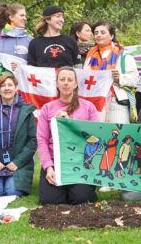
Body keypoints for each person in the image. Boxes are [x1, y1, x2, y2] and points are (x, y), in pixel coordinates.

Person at [36, 67, 100, 205]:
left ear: (76, 84)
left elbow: (96, 138)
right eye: (62, 79)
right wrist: (48, 167)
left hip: (81, 161)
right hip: (56, 162)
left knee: (81, 199)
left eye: (70, 80)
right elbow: (42, 140)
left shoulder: (88, 107)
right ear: (57, 83)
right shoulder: (47, 108)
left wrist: (70, 123)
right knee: (50, 201)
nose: (66, 83)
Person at [0, 73, 37, 197]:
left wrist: (17, 162)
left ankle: (12, 182)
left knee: (12, 193)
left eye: (10, 85)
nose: (7, 88)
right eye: (3, 86)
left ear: (16, 88)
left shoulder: (26, 112)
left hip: (17, 164)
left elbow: (32, 140)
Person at [84, 20, 138, 123]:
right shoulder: (90, 55)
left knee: (118, 133)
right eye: (96, 33)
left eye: (103, 32)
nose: (99, 35)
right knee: (97, 135)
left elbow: (135, 78)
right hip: (94, 101)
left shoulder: (123, 54)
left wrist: (119, 78)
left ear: (112, 35)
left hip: (116, 100)